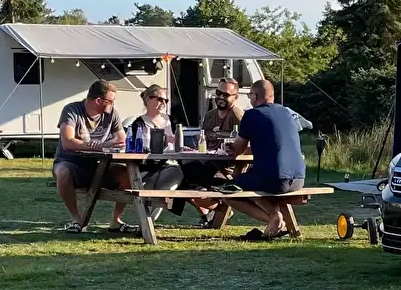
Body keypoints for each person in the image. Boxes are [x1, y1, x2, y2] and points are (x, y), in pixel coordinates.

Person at [220, 79, 307, 240]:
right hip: (299, 179)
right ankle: (275, 219)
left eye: (250, 95)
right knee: (252, 180)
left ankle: (273, 217)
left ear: (256, 96)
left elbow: (238, 149)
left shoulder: (252, 115)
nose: (249, 99)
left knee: (229, 189)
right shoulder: (287, 113)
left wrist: (229, 146)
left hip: (275, 179)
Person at [52, 80, 134, 234]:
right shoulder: (71, 110)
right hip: (72, 163)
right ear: (98, 100)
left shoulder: (111, 113)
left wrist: (104, 145)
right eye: (111, 101)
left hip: (100, 164)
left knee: (127, 174)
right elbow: (68, 142)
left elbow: (122, 139)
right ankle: (76, 220)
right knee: (63, 171)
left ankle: (116, 220)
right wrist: (97, 146)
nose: (113, 105)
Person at [185, 79, 244, 225]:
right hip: (208, 162)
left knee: (198, 189)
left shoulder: (237, 115)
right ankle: (213, 212)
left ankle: (222, 209)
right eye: (218, 92)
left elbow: (247, 145)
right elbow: (203, 141)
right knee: (179, 176)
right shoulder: (210, 115)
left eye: (226, 94)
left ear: (235, 97)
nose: (221, 97)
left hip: (227, 168)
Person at [129, 85, 185, 219]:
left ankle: (149, 222)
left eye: (166, 100)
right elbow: (138, 148)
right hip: (148, 166)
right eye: (160, 99)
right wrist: (163, 140)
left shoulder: (171, 121)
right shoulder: (138, 123)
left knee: (167, 183)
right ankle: (146, 223)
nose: (163, 103)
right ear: (148, 99)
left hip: (171, 163)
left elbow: (179, 145)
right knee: (147, 185)